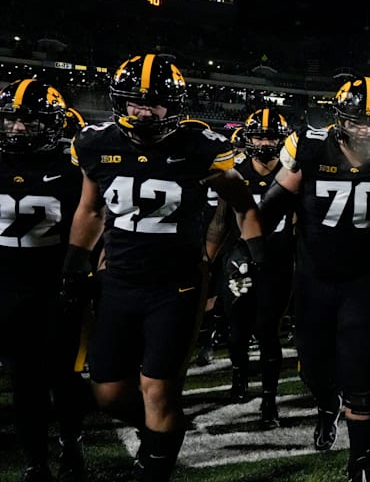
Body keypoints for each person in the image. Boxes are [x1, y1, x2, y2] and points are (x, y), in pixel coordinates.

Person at [62, 54, 263, 482]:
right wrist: (75, 263)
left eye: (154, 103)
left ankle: (154, 463)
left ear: (174, 106)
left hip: (176, 287)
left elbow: (243, 203)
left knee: (158, 389)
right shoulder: (96, 143)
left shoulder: (200, 147)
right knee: (108, 393)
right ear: (119, 101)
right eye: (134, 102)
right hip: (119, 281)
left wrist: (257, 256)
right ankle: (162, 435)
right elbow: (91, 209)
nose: (143, 112)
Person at [257, 77, 370, 482]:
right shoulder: (311, 147)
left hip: (366, 281)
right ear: (340, 118)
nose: (365, 129)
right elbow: (269, 209)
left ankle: (360, 463)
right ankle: (327, 403)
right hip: (314, 281)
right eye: (357, 120)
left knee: (362, 375)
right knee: (313, 369)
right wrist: (255, 254)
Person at [0, 80, 89, 482]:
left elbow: (94, 226)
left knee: (63, 377)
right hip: (7, 289)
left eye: (30, 120)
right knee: (24, 380)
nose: (17, 127)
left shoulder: (73, 170)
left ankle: (71, 443)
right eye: (11, 119)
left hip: (57, 288)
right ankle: (35, 461)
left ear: (52, 123)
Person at [204, 108, 295, 428]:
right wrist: (207, 263)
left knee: (268, 331)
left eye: (270, 137)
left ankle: (269, 399)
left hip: (276, 262)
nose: (265, 142)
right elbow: (219, 222)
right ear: (248, 138)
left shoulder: (292, 174)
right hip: (239, 260)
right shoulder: (236, 171)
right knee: (238, 330)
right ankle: (239, 375)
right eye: (259, 136)